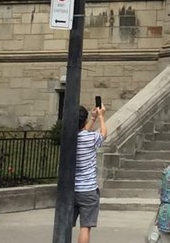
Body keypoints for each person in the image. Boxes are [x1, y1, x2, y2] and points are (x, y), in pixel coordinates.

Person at [74, 100, 106, 241]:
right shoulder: (90, 137)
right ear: (84, 120)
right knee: (85, 227)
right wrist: (100, 117)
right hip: (88, 189)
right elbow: (104, 134)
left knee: (65, 223)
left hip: (71, 189)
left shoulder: (69, 138)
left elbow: (82, 132)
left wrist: (92, 118)